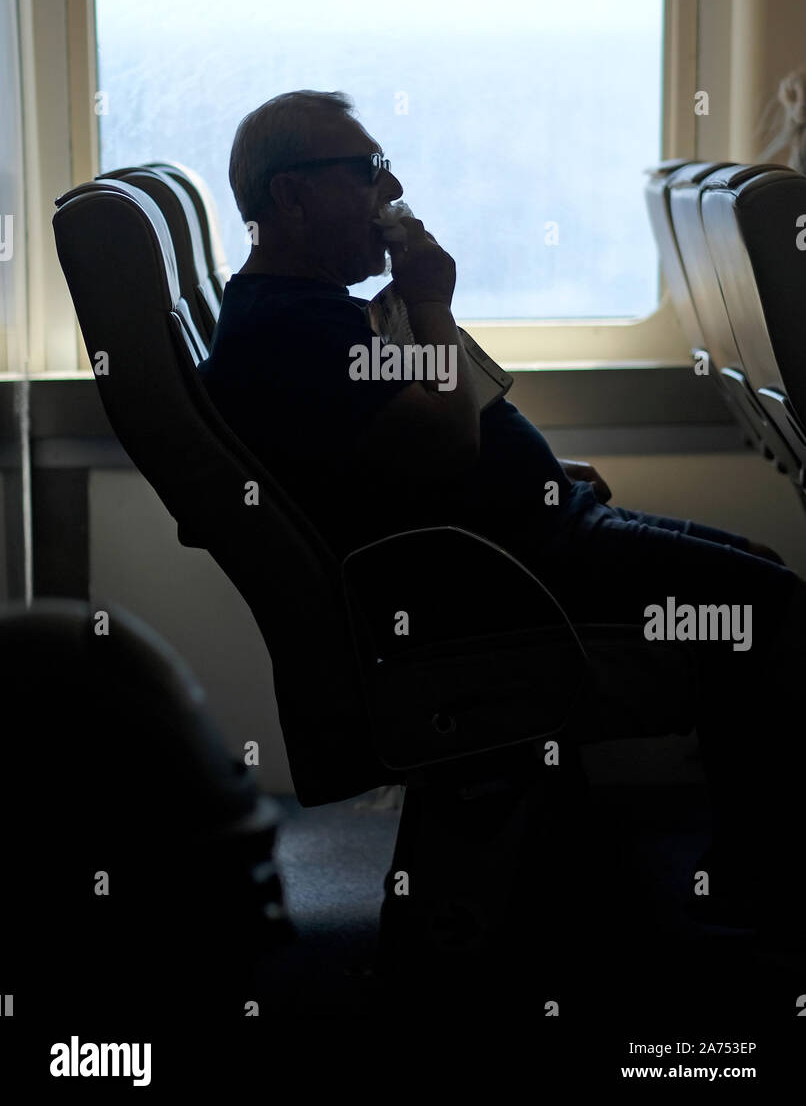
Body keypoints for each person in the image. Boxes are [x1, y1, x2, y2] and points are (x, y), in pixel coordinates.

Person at [200, 89, 806, 973]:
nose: (392, 186)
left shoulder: (298, 313)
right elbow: (445, 444)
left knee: (755, 575)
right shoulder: (290, 330)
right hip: (513, 576)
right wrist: (432, 304)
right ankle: (767, 892)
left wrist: (541, 476)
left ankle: (742, 868)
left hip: (532, 542)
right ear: (291, 197)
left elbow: (398, 449)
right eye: (367, 171)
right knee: (770, 607)